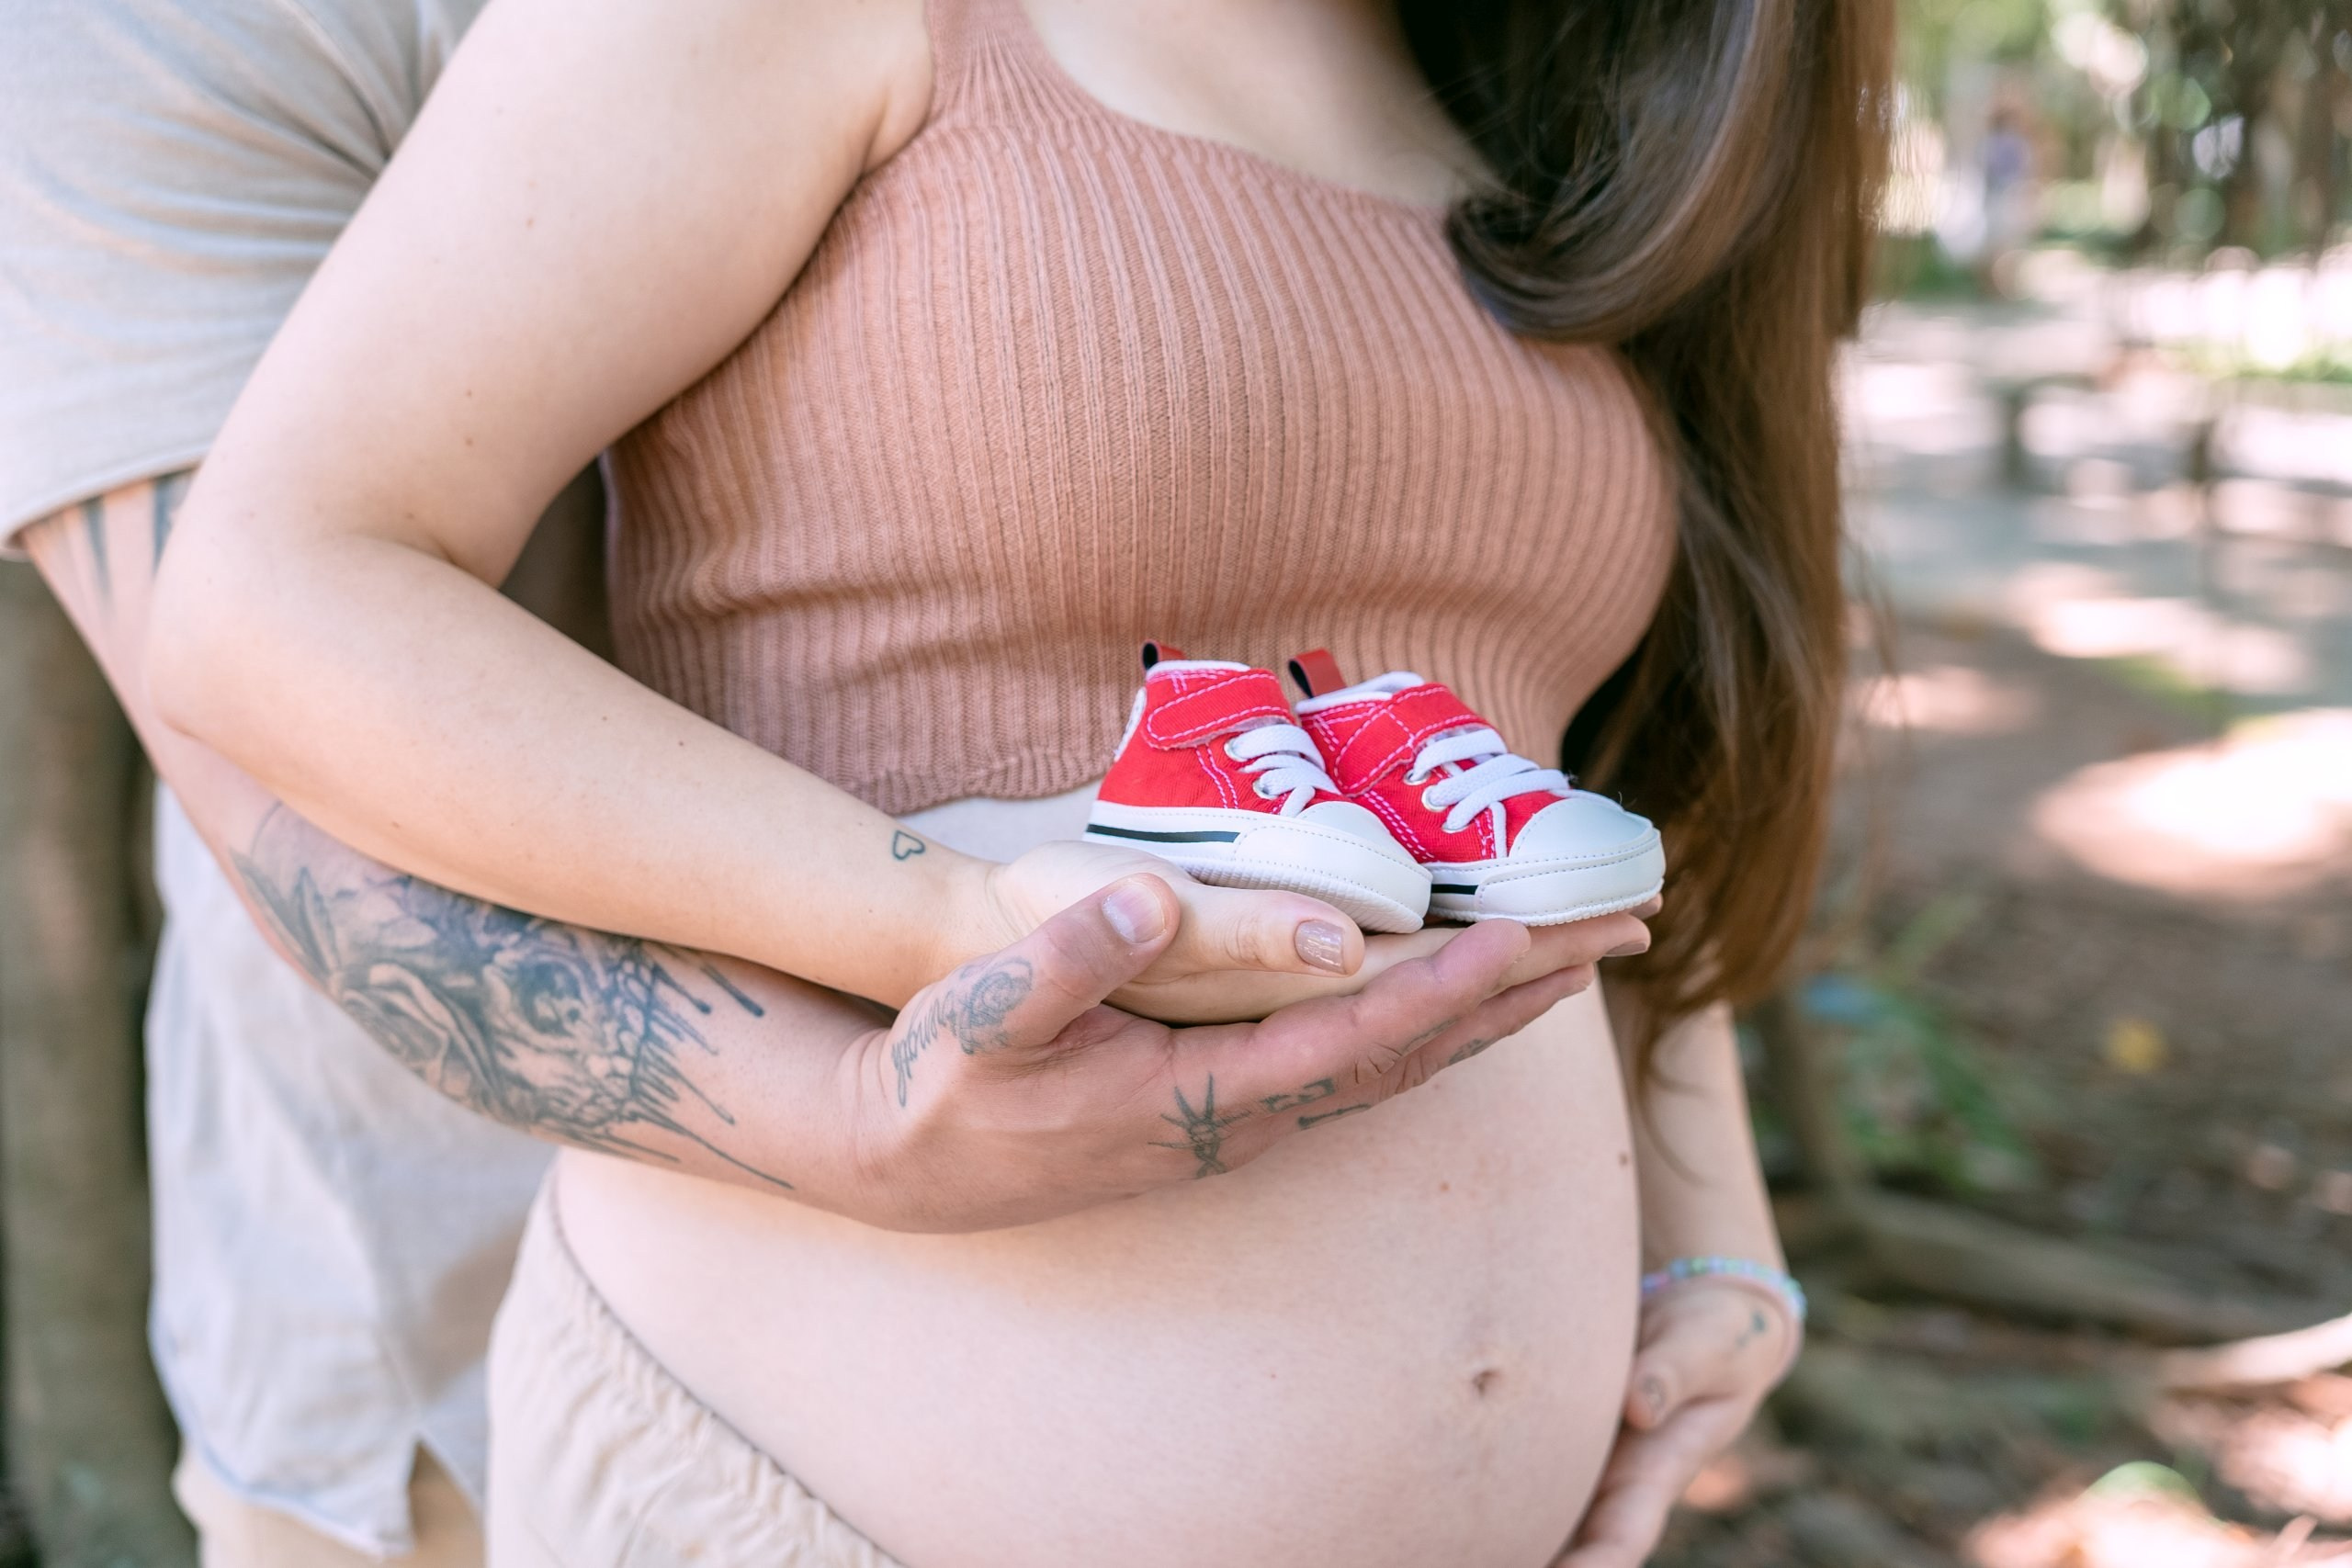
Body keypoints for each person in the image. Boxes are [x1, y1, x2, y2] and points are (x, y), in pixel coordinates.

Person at [151, 0, 1889, 1561]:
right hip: (808, 1494)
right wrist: (949, 919)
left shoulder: (1534, 123)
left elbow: (1558, 797)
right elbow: (274, 587)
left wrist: (1717, 1250)